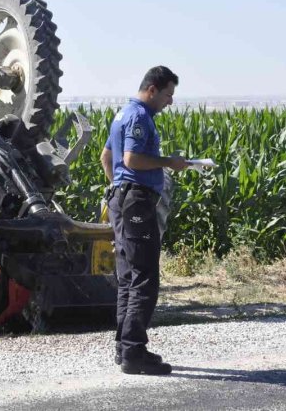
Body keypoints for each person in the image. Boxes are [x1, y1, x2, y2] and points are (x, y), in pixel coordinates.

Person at [101, 66, 188, 375]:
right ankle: (134, 352)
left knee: (128, 277)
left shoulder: (122, 114)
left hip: (122, 199)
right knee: (145, 277)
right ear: (152, 89)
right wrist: (169, 163)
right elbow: (132, 159)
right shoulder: (140, 116)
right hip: (136, 201)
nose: (170, 101)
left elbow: (106, 157)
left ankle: (124, 348)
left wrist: (118, 188)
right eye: (167, 94)